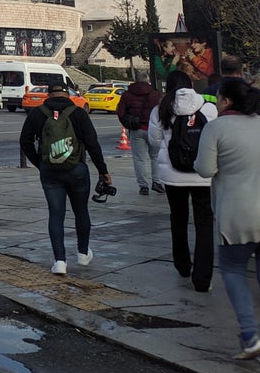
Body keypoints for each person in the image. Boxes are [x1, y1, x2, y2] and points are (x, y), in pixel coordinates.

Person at [195, 79, 260, 363]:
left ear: (226, 101)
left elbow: (205, 169)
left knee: (233, 270)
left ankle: (251, 337)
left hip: (238, 217)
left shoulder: (216, 127)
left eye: (218, 98)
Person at [20, 83, 113, 275]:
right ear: (67, 94)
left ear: (49, 95)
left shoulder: (37, 114)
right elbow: (92, 143)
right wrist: (103, 171)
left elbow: (25, 141)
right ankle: (82, 253)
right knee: (81, 211)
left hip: (50, 173)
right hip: (77, 169)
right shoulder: (78, 113)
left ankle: (60, 261)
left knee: (56, 214)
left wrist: (40, 163)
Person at [148, 82, 217, 292]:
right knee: (204, 223)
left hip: (172, 174)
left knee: (178, 218)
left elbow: (153, 141)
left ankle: (183, 265)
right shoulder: (208, 107)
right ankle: (203, 278)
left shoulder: (162, 108)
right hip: (202, 174)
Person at [117, 71, 163, 195]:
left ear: (135, 80)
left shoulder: (127, 95)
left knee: (139, 159)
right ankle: (157, 182)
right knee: (155, 156)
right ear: (148, 80)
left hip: (136, 130)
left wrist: (128, 123)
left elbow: (120, 112)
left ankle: (143, 186)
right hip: (153, 130)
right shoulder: (155, 94)